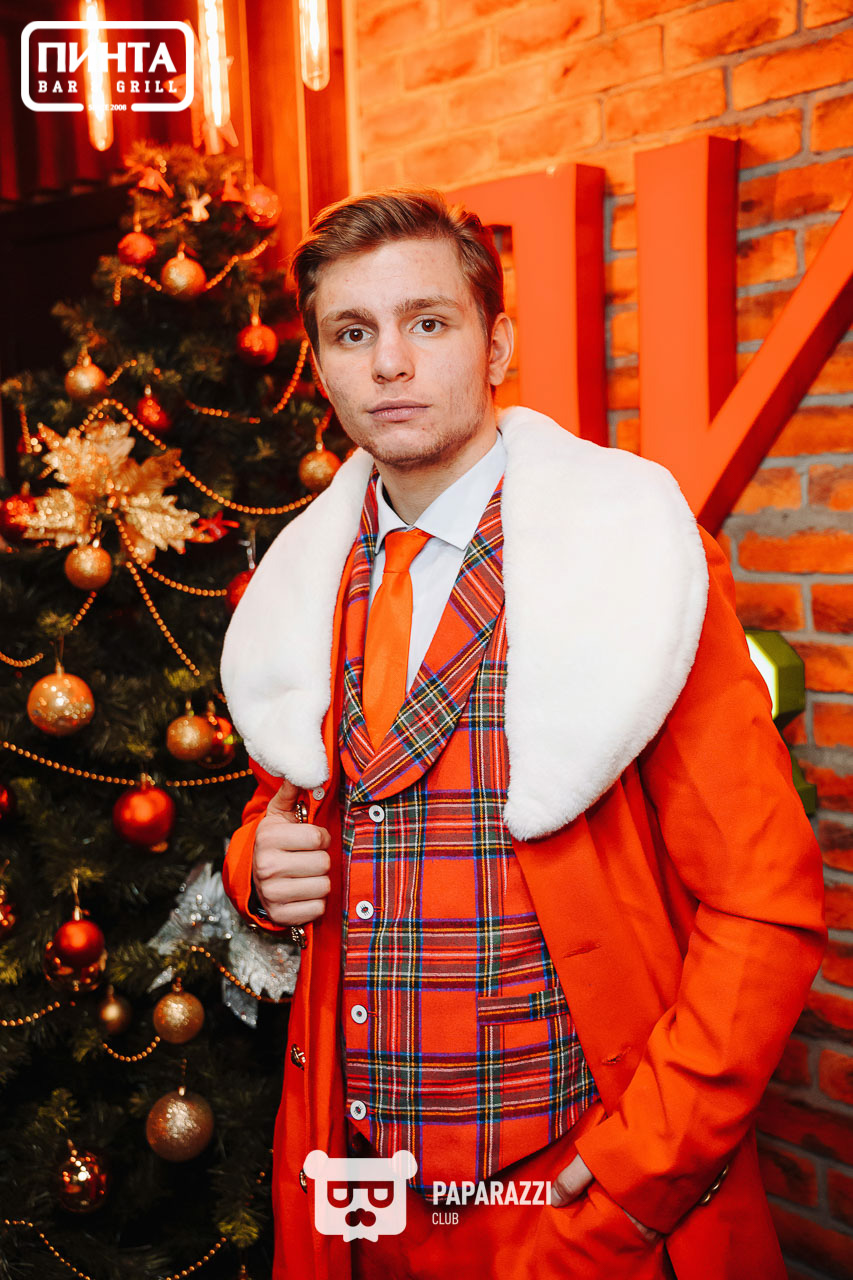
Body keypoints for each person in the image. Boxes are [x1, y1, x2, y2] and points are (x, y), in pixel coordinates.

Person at [220, 188, 826, 1280]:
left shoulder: (634, 558)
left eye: (428, 322)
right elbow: (287, 805)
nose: (389, 363)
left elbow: (764, 901)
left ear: (496, 344)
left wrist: (641, 1175)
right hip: (359, 1204)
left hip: (571, 1200)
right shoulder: (297, 586)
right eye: (352, 333)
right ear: (319, 367)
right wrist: (254, 864)